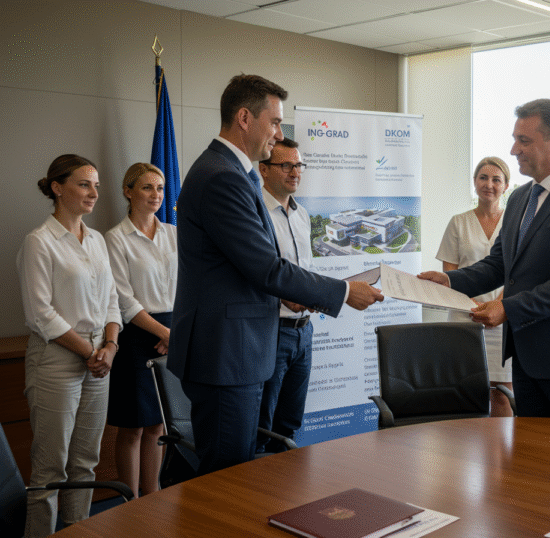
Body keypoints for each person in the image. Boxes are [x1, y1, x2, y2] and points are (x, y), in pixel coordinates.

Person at [168, 74, 383, 476]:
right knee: (227, 478)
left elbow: (250, 265)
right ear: (245, 118)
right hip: (226, 355)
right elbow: (266, 267)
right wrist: (340, 292)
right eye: (276, 122)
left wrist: (293, 294)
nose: (279, 133)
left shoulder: (236, 172)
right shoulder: (222, 177)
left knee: (239, 470)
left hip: (237, 350)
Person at [419, 98, 550, 421]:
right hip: (527, 359)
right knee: (530, 460)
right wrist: (449, 280)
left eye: (523, 140)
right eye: (514, 139)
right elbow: (499, 264)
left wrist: (507, 307)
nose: (513, 150)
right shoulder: (519, 198)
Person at [17, 154, 121, 537]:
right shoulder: (38, 242)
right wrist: (90, 352)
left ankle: (78, 530)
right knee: (50, 467)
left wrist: (109, 346)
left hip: (99, 359)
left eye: (96, 184)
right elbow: (40, 314)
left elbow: (112, 300)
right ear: (58, 188)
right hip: (57, 361)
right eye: (84, 184)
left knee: (85, 463)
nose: (94, 192)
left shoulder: (95, 239)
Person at [105, 163, 177, 496]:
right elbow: (123, 300)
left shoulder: (173, 234)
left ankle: (153, 497)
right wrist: (163, 333)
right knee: (132, 427)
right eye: (147, 187)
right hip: (136, 335)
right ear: (128, 191)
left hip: (173, 330)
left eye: (160, 188)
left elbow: (190, 286)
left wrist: (172, 333)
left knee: (158, 425)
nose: (156, 195)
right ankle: (129, 502)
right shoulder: (114, 239)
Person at [436, 156, 513, 416]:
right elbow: (450, 274)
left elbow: (516, 273)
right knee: (463, 393)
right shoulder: (458, 222)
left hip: (503, 320)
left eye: (496, 179)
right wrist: (473, 305)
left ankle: (501, 456)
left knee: (502, 395)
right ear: (474, 182)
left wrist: (498, 304)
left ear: (506, 186)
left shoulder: (515, 223)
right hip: (463, 318)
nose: (488, 184)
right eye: (483, 177)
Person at [255, 138, 314, 452]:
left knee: (289, 425)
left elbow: (304, 272)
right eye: (286, 165)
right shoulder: (255, 212)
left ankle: (286, 496)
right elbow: (255, 272)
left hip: (304, 332)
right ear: (264, 170)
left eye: (299, 165)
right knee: (262, 428)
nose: (295, 172)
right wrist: (284, 297)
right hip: (272, 331)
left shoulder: (302, 215)